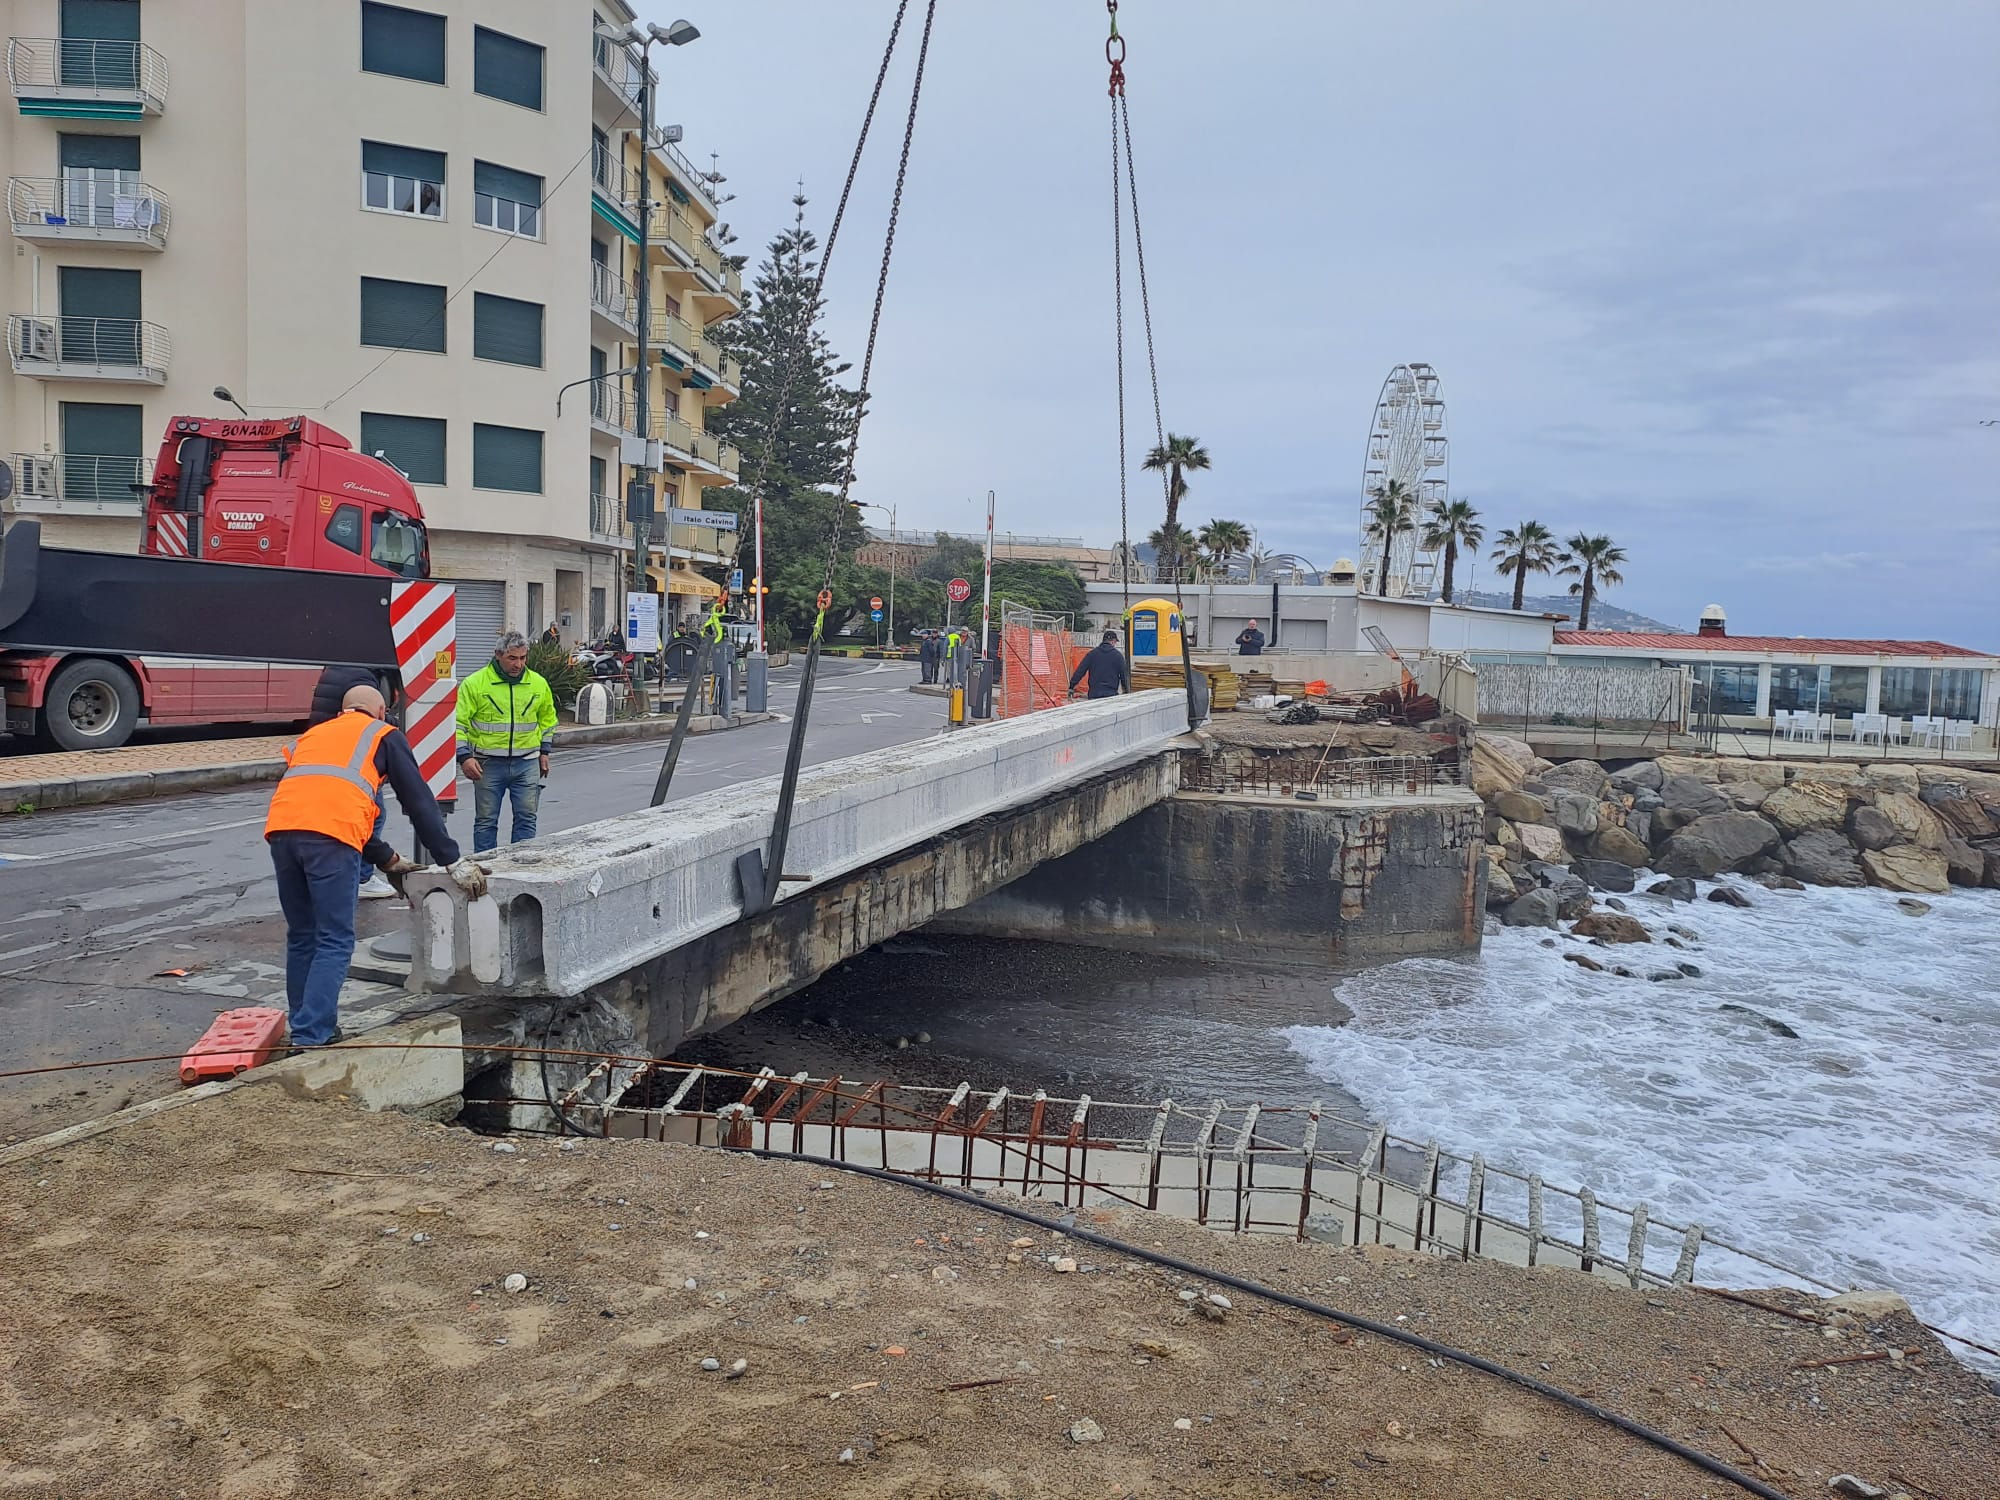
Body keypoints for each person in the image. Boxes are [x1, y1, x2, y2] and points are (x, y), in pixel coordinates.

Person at [265, 684, 485, 1048]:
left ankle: (304, 1023)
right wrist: (452, 860)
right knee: (334, 938)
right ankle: (312, 1035)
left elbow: (328, 802)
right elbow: (419, 802)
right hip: (332, 840)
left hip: (282, 832)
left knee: (302, 935)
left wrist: (389, 860)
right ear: (381, 710)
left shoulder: (314, 735)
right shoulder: (383, 735)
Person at [457, 630, 558, 855]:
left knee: (527, 818)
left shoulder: (537, 684)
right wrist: (464, 757)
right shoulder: (475, 684)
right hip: (488, 764)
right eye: (512, 658)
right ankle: (486, 868)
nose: (518, 664)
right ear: (498, 655)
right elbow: (458, 723)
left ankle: (519, 865)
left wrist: (545, 752)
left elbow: (548, 720)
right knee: (486, 821)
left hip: (527, 763)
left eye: (523, 658)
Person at [308, 665, 399, 900]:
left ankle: (338, 874)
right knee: (371, 817)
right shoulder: (362, 678)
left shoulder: (339, 668)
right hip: (353, 755)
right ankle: (362, 877)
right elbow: (365, 714)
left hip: (326, 751)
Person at [1069, 629, 1131, 700]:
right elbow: (1124, 676)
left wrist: (1071, 686)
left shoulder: (1092, 654)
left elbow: (1080, 671)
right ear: (1113, 641)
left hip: (1094, 695)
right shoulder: (1118, 656)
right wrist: (1126, 691)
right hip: (1111, 696)